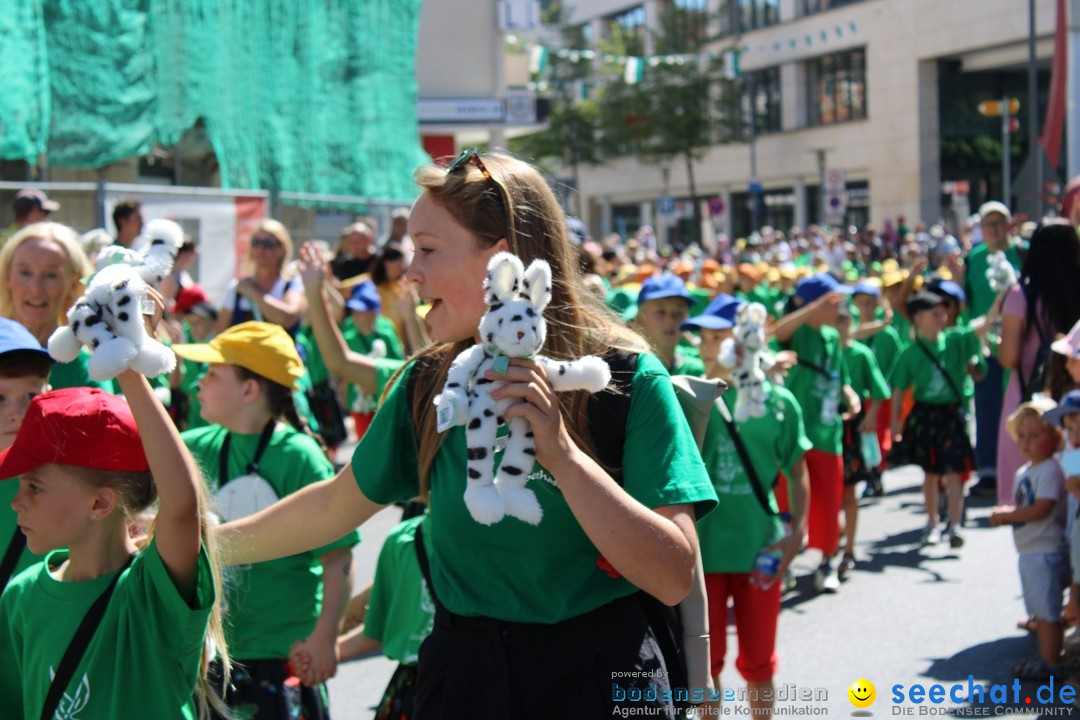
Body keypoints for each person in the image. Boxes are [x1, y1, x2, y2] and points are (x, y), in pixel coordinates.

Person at [217, 150, 717, 720]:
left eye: (428, 249)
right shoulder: (428, 382)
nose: (411, 273)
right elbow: (333, 506)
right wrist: (203, 542)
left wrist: (563, 456)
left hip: (604, 677)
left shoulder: (625, 379)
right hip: (466, 676)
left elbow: (674, 574)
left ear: (499, 262)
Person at [0, 348, 228, 717]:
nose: (16, 503)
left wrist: (127, 366)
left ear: (99, 504)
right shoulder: (19, 598)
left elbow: (182, 507)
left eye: (34, 487)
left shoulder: (151, 591)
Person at [173, 321, 358, 720]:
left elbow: (338, 558)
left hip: (279, 658)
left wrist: (325, 637)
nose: (197, 384)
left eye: (212, 373)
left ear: (249, 389)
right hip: (208, 657)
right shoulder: (198, 448)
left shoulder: (300, 457)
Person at [688, 295, 811, 717]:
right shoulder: (688, 398)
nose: (708, 346)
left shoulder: (779, 404)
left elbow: (797, 470)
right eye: (704, 338)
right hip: (703, 552)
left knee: (759, 663)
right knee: (706, 664)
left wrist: (797, 534)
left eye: (717, 337)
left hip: (761, 547)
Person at [772, 273, 859, 593]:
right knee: (787, 502)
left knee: (828, 501)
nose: (841, 307)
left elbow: (840, 375)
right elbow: (779, 331)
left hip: (827, 434)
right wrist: (814, 307)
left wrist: (850, 394)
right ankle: (785, 564)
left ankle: (826, 563)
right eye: (835, 301)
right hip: (795, 435)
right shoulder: (799, 332)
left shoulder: (833, 337)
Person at [890, 292, 984, 548]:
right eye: (935, 314)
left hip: (950, 413)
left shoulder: (955, 340)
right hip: (925, 414)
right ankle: (932, 522)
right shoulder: (909, 352)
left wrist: (1000, 298)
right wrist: (895, 422)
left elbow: (982, 327)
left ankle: (955, 524)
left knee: (955, 472)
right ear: (918, 319)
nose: (942, 318)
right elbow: (898, 389)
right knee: (931, 473)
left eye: (944, 313)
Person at [996, 222, 1080, 505]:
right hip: (1073, 405)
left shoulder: (1022, 296)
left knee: (1031, 500)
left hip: (1031, 404)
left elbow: (1008, 357)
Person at [990, 398, 1069, 680]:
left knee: (1048, 612)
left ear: (1054, 437)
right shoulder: (1027, 471)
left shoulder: (1050, 469)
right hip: (1030, 550)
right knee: (1040, 608)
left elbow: (1042, 508)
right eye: (1021, 436)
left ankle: (1051, 664)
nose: (1025, 442)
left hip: (1046, 550)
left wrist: (1009, 515)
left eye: (1034, 435)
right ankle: (1047, 651)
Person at [0, 222, 109, 391]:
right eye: (25, 272)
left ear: (73, 283)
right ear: (7, 276)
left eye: (50, 275)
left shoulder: (88, 371)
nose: (35, 289)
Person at [835, 305, 890, 576]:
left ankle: (849, 549)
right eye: (836, 321)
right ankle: (834, 536)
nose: (840, 327)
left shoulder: (861, 353)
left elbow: (880, 390)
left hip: (852, 428)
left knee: (848, 493)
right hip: (827, 427)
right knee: (827, 492)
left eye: (844, 321)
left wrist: (871, 417)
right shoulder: (824, 353)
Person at [0, 318, 53, 591]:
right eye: (0, 398)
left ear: (49, 394)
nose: (15, 414)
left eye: (30, 396)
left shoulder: (69, 481)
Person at [216, 219, 307, 337]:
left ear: (282, 250)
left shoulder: (293, 284)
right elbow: (220, 334)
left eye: (268, 244)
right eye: (256, 242)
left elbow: (286, 318)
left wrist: (254, 293)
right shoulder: (236, 288)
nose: (261, 249)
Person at [341, 279, 405, 440]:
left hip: (385, 401)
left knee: (389, 440)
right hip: (360, 404)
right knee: (365, 442)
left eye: (360, 311)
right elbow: (343, 370)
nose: (355, 315)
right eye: (354, 311)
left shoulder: (386, 332)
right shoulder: (349, 337)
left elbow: (398, 363)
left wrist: (376, 381)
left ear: (373, 311)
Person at [632, 273, 705, 376]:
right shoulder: (626, 370)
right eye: (661, 312)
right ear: (639, 320)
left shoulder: (699, 372)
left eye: (678, 313)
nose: (670, 320)